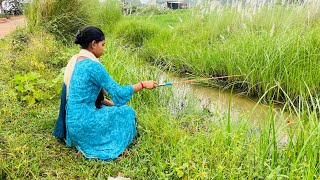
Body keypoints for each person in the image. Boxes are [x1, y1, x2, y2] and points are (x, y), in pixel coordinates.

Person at [53, 26, 158, 160]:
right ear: (93, 44)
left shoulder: (75, 61)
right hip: (85, 124)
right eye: (103, 45)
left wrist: (112, 105)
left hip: (72, 123)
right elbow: (119, 92)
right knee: (127, 112)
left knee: (116, 109)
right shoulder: (93, 66)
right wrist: (143, 84)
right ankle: (103, 142)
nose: (104, 49)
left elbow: (89, 96)